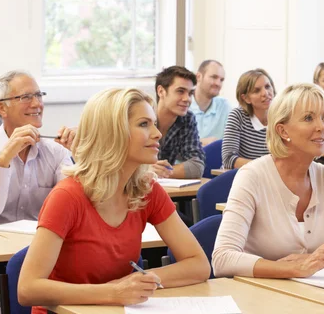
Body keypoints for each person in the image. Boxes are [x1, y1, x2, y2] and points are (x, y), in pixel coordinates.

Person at [18, 88, 210, 312]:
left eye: (154, 123)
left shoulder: (148, 190)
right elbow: (27, 289)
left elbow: (198, 265)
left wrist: (139, 282)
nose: (158, 133)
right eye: (144, 124)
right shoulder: (67, 197)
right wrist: (112, 292)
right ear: (113, 132)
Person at [212, 83, 324, 278]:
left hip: (316, 296)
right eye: (309, 118)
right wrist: (296, 267)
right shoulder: (252, 176)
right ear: (283, 131)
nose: (321, 127)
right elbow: (223, 258)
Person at [0, 70, 75, 227]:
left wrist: (81, 155)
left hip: (35, 246)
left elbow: (73, 209)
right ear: (2, 108)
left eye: (39, 95)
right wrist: (4, 160)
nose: (37, 104)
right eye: (26, 97)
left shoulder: (56, 151)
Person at [149, 66, 205, 179]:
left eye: (190, 93)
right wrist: (145, 170)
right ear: (161, 91)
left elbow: (197, 166)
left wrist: (158, 172)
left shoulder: (187, 119)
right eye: (180, 91)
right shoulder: (142, 117)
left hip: (165, 188)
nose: (187, 99)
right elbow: (121, 163)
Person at [221, 69, 275, 169]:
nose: (265, 93)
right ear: (246, 98)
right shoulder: (238, 116)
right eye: (257, 90)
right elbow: (228, 159)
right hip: (243, 179)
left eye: (268, 86)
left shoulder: (281, 117)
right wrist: (266, 167)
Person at [190, 60, 231, 146]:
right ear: (198, 77)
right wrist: (200, 142)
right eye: (214, 77)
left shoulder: (224, 106)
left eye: (221, 80)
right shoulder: (182, 104)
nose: (218, 83)